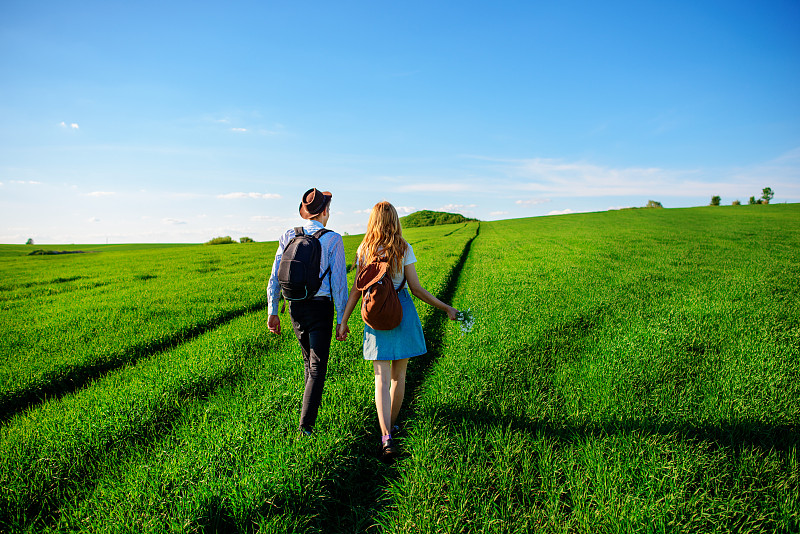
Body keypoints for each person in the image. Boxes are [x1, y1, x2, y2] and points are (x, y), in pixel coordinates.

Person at [337, 201, 458, 459]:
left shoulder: (364, 249)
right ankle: (391, 428)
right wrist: (446, 307)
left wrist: (344, 320)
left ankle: (385, 436)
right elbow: (416, 288)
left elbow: (357, 291)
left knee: (380, 379)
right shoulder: (403, 248)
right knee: (398, 378)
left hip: (375, 313)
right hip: (401, 309)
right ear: (394, 220)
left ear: (373, 221)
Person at [267, 188, 348, 435]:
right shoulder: (333, 239)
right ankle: (306, 428)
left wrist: (273, 310)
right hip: (320, 307)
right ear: (324, 211)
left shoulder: (289, 235)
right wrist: (342, 318)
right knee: (317, 366)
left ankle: (306, 418)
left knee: (308, 362)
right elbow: (339, 282)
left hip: (295, 306)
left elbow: (274, 276)